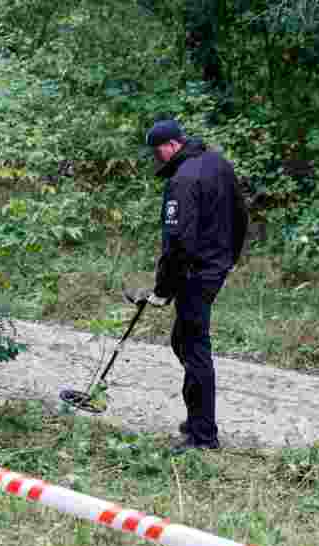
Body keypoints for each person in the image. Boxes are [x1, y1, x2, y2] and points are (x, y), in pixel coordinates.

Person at [125, 118, 248, 455]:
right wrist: (229, 259)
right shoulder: (218, 164)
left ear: (172, 146)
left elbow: (177, 242)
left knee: (194, 348)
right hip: (214, 267)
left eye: (157, 152)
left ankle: (203, 437)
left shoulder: (182, 180)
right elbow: (241, 216)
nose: (157, 159)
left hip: (196, 273)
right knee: (182, 339)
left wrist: (164, 289)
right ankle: (197, 420)